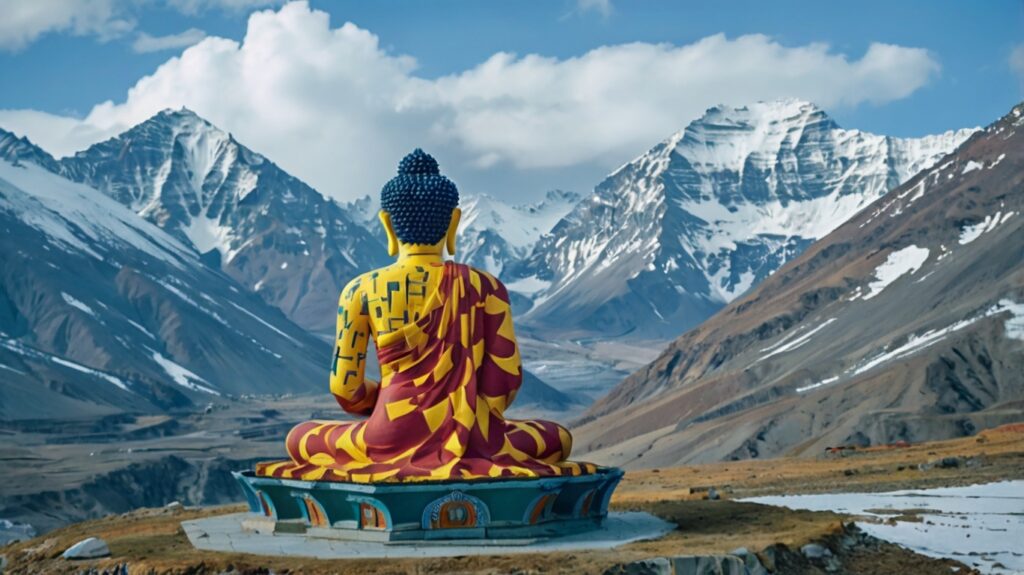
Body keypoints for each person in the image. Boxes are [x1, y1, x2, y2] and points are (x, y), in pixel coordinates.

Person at [256, 149, 595, 483]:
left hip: (386, 434)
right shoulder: (486, 288)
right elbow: (502, 387)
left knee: (301, 438)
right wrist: (462, 411)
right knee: (556, 438)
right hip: (475, 439)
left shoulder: (361, 291)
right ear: (454, 223)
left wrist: (390, 400)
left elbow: (345, 388)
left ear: (387, 225)